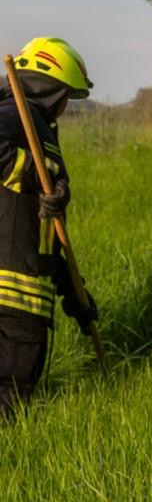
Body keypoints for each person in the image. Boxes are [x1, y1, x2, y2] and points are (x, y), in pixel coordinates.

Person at [0, 37, 97, 418]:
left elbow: (47, 236)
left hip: (25, 287)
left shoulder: (40, 131)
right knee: (9, 398)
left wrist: (77, 297)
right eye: (65, 97)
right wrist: (33, 175)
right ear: (49, 88)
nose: (65, 108)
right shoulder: (13, 116)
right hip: (12, 298)